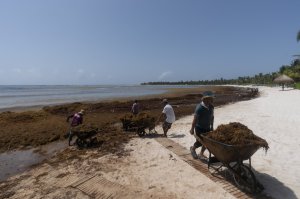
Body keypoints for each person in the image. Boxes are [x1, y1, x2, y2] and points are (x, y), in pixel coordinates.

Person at [189, 95, 214, 159]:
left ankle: (201, 153)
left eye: (210, 99)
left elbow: (212, 116)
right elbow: (195, 119)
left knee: (207, 142)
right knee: (200, 142)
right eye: (208, 100)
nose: (210, 101)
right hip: (199, 127)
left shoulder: (211, 106)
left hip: (207, 127)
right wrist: (192, 129)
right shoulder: (199, 108)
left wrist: (212, 126)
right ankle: (193, 148)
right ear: (204, 100)